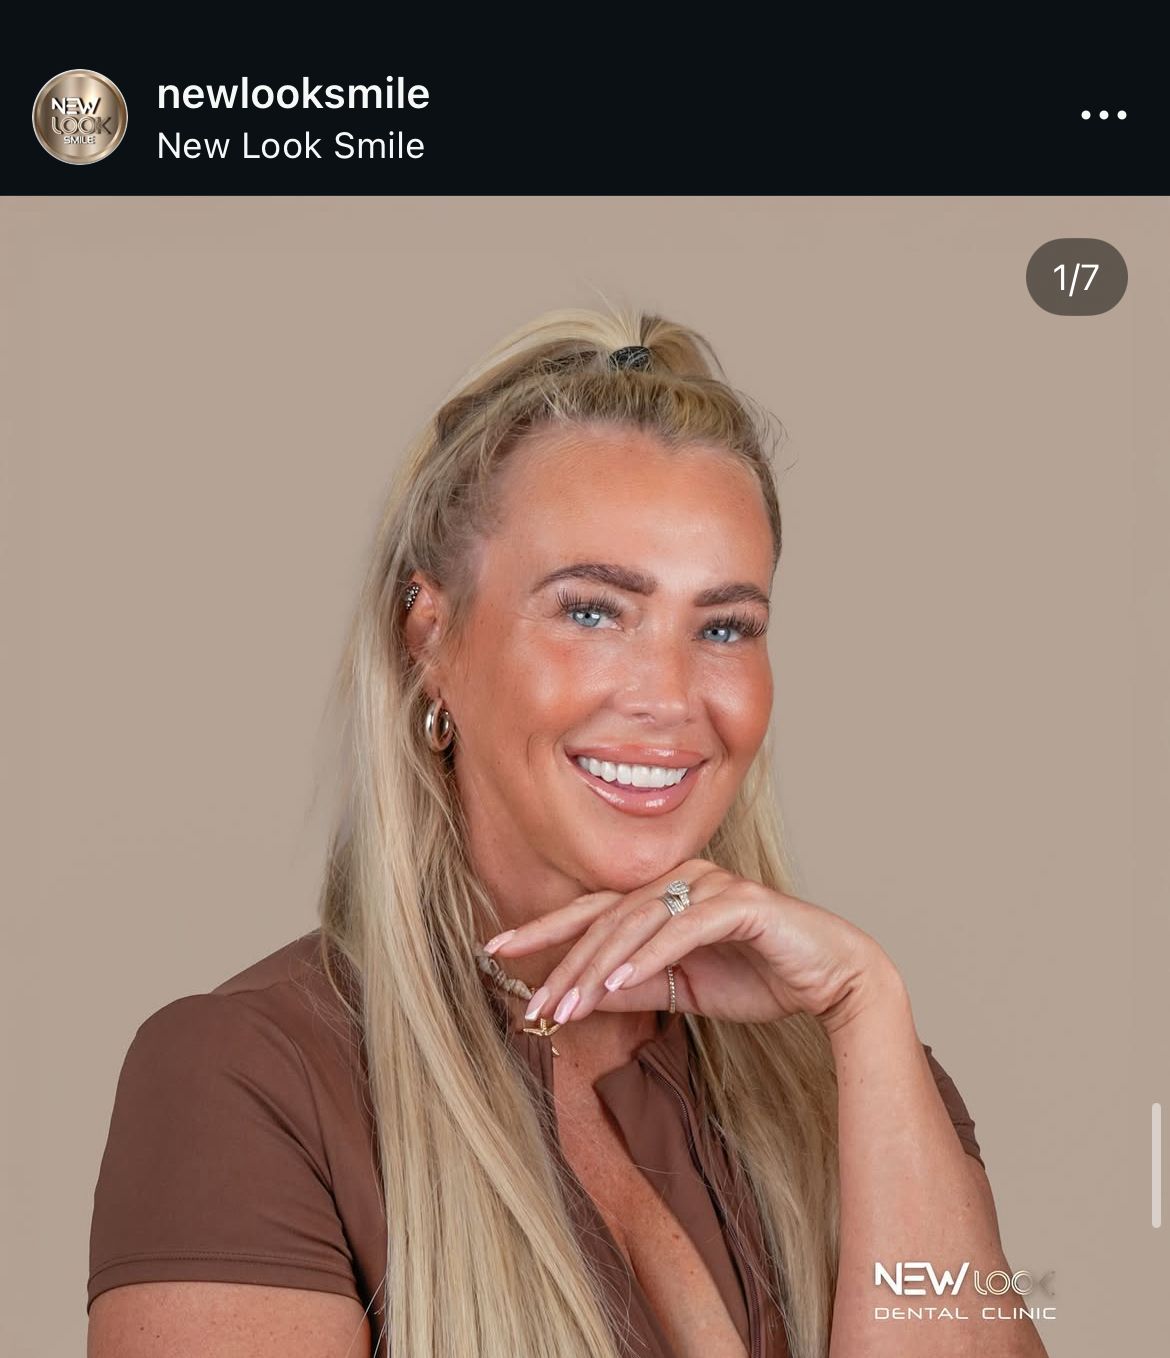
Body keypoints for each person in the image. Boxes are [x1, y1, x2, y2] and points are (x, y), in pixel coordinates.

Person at [87, 308, 1047, 1358]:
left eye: (725, 626)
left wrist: (867, 1005)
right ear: (429, 638)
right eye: (593, 610)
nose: (670, 696)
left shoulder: (859, 1074)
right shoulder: (249, 1081)